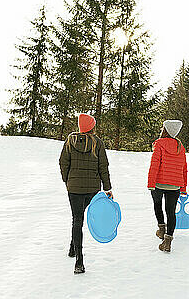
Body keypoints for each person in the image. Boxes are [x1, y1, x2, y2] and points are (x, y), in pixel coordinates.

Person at [60, 113, 113, 274]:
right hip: (92, 189)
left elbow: (63, 162)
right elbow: (103, 166)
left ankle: (78, 260)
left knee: (77, 219)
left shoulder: (70, 140)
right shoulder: (97, 143)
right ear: (91, 127)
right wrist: (107, 188)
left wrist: (67, 180)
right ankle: (74, 250)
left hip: (74, 188)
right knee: (82, 217)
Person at [147, 119, 187, 253]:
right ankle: (167, 241)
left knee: (157, 205)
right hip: (175, 185)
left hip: (158, 183)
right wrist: (183, 188)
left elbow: (154, 165)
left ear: (165, 130)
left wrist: (151, 183)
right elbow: (184, 169)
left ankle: (161, 228)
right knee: (171, 212)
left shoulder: (159, 144)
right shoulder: (180, 147)